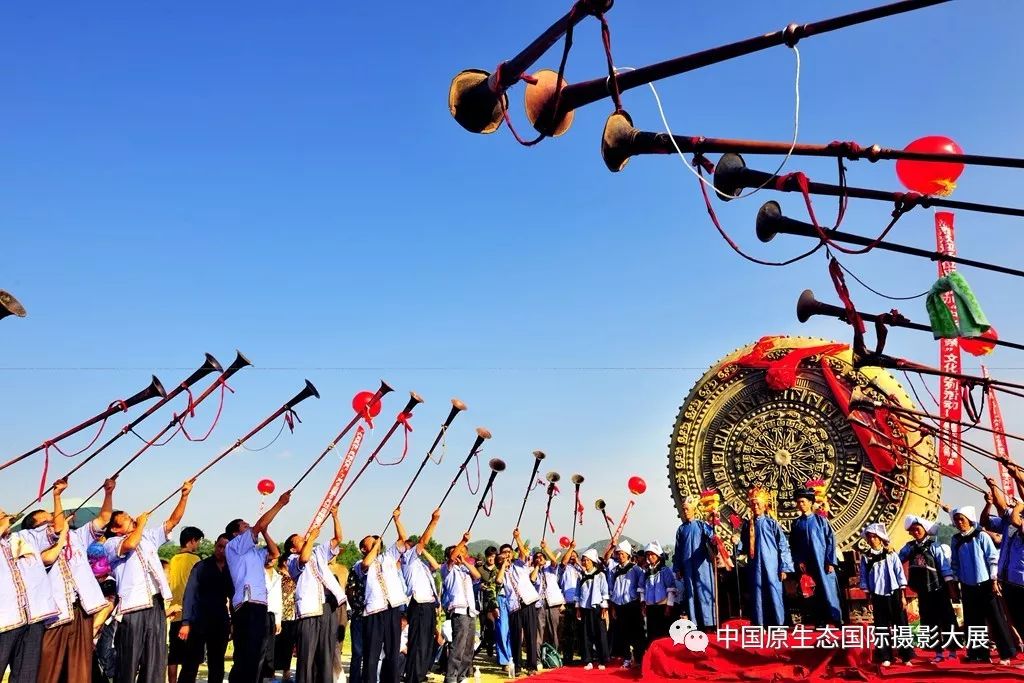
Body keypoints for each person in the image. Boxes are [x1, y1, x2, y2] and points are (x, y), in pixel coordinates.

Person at [21, 477, 114, 683]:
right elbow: (55, 535)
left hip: (80, 609)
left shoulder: (77, 537)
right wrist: (56, 496)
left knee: (79, 667)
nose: (55, 520)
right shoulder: (32, 545)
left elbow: (105, 518)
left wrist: (108, 493)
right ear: (35, 529)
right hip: (54, 614)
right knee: (49, 667)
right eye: (48, 520)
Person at [103, 480, 193, 683]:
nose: (131, 518)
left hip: (155, 603)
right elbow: (130, 544)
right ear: (116, 529)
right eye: (126, 519)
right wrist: (141, 523)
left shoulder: (147, 537)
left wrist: (184, 496)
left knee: (155, 658)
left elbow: (172, 522)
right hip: (132, 606)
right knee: (129, 658)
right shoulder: (112, 543)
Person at [225, 490, 289, 683]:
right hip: (247, 603)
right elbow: (260, 523)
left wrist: (265, 532)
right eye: (244, 525)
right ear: (236, 533)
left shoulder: (254, 551)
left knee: (257, 653)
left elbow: (275, 553)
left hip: (260, 604)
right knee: (247, 652)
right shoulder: (235, 545)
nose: (249, 526)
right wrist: (279, 504)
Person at [0, 502, 62, 683]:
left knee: (26, 675)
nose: (6, 517)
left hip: (33, 616)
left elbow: (57, 528)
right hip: (5, 621)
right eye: (1, 515)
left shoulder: (25, 537)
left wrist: (57, 496)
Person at [949, 505, 1017, 664]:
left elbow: (993, 559)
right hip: (967, 585)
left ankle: (1006, 654)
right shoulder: (956, 540)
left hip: (986, 584)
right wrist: (954, 583)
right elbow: (954, 564)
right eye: (956, 520)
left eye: (962, 519)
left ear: (969, 520)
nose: (959, 522)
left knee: (996, 619)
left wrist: (994, 580)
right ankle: (978, 654)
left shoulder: (981, 536)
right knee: (973, 621)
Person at [286, 506, 346, 683]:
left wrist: (335, 516)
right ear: (292, 549)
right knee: (307, 654)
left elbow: (338, 539)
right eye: (300, 540)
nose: (304, 539)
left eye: (304, 537)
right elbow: (303, 559)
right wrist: (312, 537)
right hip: (309, 610)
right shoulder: (292, 560)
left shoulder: (318, 552)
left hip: (327, 606)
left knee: (326, 652)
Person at [356, 508, 410, 683]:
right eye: (370, 544)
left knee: (392, 652)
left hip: (392, 608)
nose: (375, 544)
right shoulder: (360, 564)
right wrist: (376, 546)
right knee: (372, 653)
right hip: (374, 611)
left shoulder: (388, 556)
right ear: (364, 549)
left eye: (376, 542)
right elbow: (367, 562)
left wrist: (397, 520)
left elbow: (403, 540)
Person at [898, 515, 959, 662]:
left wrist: (951, 589)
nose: (915, 532)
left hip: (938, 588)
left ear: (925, 530)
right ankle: (938, 652)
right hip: (923, 590)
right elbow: (898, 559)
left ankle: (952, 651)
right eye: (912, 530)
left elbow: (945, 569)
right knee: (929, 621)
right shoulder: (909, 547)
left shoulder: (934, 546)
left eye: (917, 529)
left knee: (946, 619)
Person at [178, 533, 234, 683]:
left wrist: (233, 622)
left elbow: (234, 597)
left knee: (217, 663)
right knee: (191, 662)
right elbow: (189, 594)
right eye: (219, 546)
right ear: (215, 545)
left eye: (226, 548)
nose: (221, 550)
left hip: (220, 621)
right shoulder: (201, 566)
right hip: (199, 620)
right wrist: (185, 622)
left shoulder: (232, 569)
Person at [735, 486, 793, 626]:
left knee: (774, 592)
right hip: (755, 566)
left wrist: (784, 567)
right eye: (753, 504)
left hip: (772, 566)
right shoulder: (747, 526)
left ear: (765, 505)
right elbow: (743, 548)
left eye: (758, 504)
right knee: (757, 594)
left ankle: (778, 624)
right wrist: (736, 543)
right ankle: (759, 624)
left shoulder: (772, 523)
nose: (755, 506)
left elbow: (783, 546)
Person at [859, 523, 913, 667]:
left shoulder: (891, 554)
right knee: (881, 627)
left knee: (901, 625)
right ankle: (885, 656)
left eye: (874, 537)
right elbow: (863, 578)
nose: (872, 540)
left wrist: (902, 596)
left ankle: (906, 656)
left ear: (880, 538)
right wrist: (868, 598)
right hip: (877, 594)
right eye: (869, 537)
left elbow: (900, 574)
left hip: (894, 592)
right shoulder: (866, 557)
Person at [399, 509, 442, 683]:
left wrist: (423, 552)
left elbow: (436, 566)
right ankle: (412, 677)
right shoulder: (408, 558)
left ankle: (420, 673)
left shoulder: (420, 564)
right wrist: (434, 521)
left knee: (426, 642)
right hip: (419, 605)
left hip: (429, 605)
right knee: (417, 643)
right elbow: (422, 540)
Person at [789, 489, 841, 627]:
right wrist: (798, 560)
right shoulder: (796, 524)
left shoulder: (821, 521)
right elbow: (793, 545)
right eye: (798, 502)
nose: (800, 505)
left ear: (810, 503)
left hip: (823, 562)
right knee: (813, 593)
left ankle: (836, 619)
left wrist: (830, 561)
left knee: (829, 590)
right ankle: (820, 621)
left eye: (803, 502)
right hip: (807, 564)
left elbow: (830, 541)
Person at [497, 529, 541, 676]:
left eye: (509, 552)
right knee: (516, 637)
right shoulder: (502, 572)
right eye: (504, 553)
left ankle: (532, 666)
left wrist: (518, 538)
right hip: (514, 607)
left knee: (531, 636)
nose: (507, 554)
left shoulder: (520, 565)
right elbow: (498, 581)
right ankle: (517, 666)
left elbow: (525, 553)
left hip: (528, 603)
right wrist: (504, 565)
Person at [671, 496, 718, 632]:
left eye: (687, 509)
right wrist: (677, 568)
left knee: (704, 593)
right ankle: (694, 623)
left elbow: (713, 539)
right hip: (687, 567)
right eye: (683, 509)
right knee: (691, 594)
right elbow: (678, 550)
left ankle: (710, 624)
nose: (685, 512)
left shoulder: (702, 525)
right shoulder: (681, 529)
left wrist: (714, 530)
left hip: (702, 567)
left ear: (694, 510)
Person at [440, 536, 479, 683]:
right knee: (458, 646)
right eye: (457, 553)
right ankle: (451, 677)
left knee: (469, 647)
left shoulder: (465, 569)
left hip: (470, 611)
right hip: (459, 611)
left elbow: (477, 575)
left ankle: (462, 676)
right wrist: (463, 541)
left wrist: (465, 563)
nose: (460, 555)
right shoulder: (447, 569)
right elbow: (452, 557)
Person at [168, 525, 204, 683]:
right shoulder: (196, 560)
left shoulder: (173, 560)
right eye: (198, 541)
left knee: (174, 656)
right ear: (191, 541)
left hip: (175, 613)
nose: (199, 545)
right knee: (192, 658)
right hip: (191, 615)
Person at [605, 539, 643, 668]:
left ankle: (638, 659)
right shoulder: (614, 571)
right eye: (618, 554)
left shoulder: (635, 569)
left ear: (628, 555)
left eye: (622, 554)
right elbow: (612, 589)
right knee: (623, 634)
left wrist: (640, 603)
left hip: (632, 604)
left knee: (636, 633)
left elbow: (641, 587)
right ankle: (626, 658)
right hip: (619, 605)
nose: (620, 556)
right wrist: (613, 607)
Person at [576, 549, 609, 671]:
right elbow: (578, 592)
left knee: (600, 633)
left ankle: (602, 659)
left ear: (593, 562)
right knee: (586, 634)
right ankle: (588, 660)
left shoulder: (600, 575)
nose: (585, 562)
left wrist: (604, 608)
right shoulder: (581, 575)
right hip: (585, 607)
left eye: (587, 560)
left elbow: (604, 591)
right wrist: (578, 608)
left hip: (597, 607)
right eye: (583, 560)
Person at [640, 542, 675, 644]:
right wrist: (643, 604)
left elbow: (671, 590)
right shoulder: (646, 572)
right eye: (648, 555)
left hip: (662, 607)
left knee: (663, 634)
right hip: (650, 607)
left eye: (652, 554)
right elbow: (642, 589)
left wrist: (669, 606)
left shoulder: (665, 571)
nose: (650, 557)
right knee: (652, 635)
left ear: (658, 556)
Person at [535, 541, 565, 654]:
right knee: (539, 630)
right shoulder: (534, 571)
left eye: (541, 556)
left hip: (553, 602)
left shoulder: (550, 568)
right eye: (537, 557)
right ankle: (538, 656)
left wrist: (545, 548)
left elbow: (554, 560)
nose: (539, 558)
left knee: (554, 630)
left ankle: (555, 654)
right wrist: (537, 567)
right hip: (540, 603)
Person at [273, 554, 298, 683]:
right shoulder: (277, 576)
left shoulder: (295, 576)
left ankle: (286, 672)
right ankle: (270, 672)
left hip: (292, 616)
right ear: (283, 562)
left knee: (288, 646)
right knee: (275, 645)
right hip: (279, 616)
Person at [557, 544, 582, 665]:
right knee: (569, 632)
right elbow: (563, 561)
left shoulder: (580, 568)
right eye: (570, 557)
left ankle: (584, 655)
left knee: (582, 631)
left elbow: (589, 572)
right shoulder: (564, 569)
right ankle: (568, 658)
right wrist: (571, 548)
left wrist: (578, 562)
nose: (572, 558)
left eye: (574, 557)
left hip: (581, 604)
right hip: (568, 604)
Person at [474, 547, 499, 658]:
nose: (491, 559)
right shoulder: (479, 569)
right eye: (489, 556)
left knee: (493, 624)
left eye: (493, 557)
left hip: (495, 601)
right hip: (483, 601)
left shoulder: (498, 568)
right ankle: (487, 643)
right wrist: (479, 586)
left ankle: (491, 643)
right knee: (485, 625)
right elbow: (474, 582)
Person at [264, 553, 283, 681]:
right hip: (258, 612)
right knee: (258, 646)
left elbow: (278, 598)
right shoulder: (257, 572)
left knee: (270, 648)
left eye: (274, 557)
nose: (271, 559)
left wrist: (278, 620)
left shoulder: (277, 576)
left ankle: (268, 674)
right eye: (269, 556)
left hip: (271, 615)